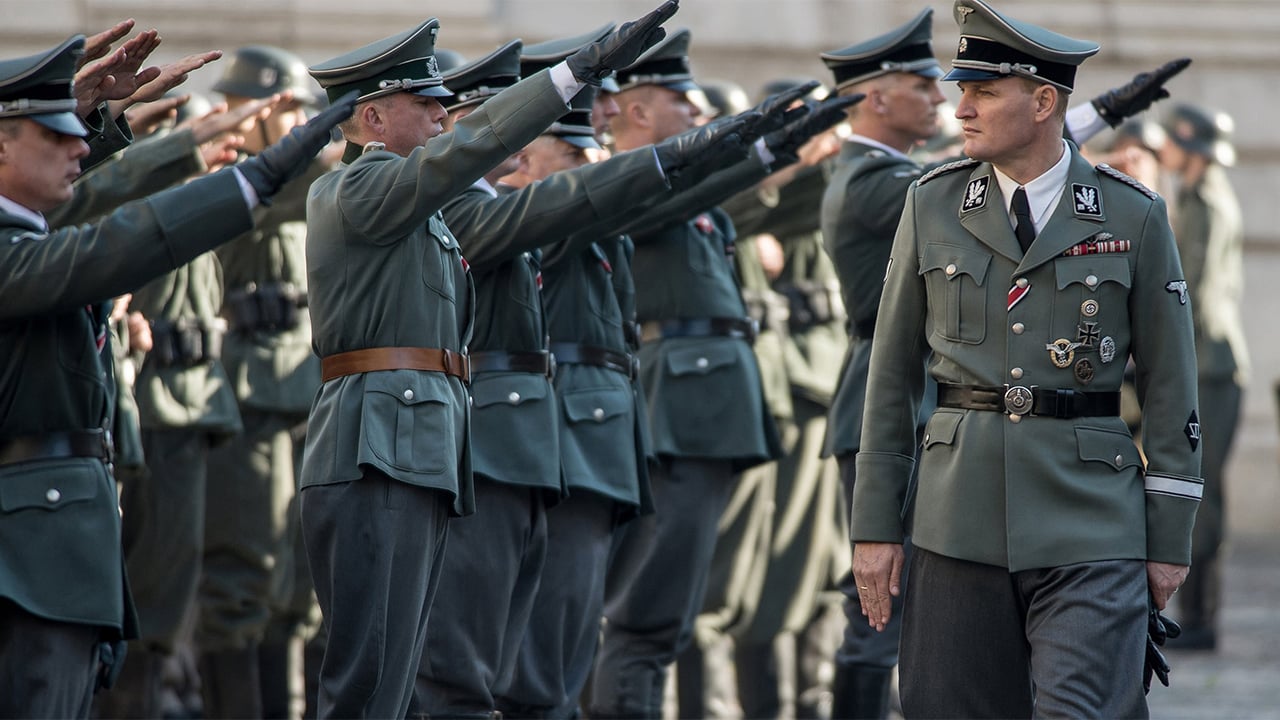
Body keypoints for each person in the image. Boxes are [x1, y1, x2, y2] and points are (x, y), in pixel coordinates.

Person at [298, 6, 677, 717]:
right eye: (427, 102)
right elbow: (477, 155)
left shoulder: (414, 209)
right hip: (379, 448)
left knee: (401, 677)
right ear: (374, 119)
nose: (445, 116)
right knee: (372, 683)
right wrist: (573, 74)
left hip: (417, 446)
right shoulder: (361, 187)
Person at [850, 0, 1203, 716]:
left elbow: (1171, 387)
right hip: (955, 521)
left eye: (983, 92)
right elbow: (889, 379)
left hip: (1092, 520)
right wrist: (875, 527)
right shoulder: (932, 205)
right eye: (961, 91)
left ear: (1044, 102)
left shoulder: (1133, 215)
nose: (962, 108)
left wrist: (1169, 538)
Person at [0, 34, 353, 719]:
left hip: (68, 533)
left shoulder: (27, 233)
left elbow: (85, 202)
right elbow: (120, 233)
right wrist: (251, 175)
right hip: (35, 544)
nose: (78, 147)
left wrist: (98, 123)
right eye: (56, 133)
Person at [202, 44, 333, 718]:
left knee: (299, 592)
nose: (301, 128)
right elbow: (283, 191)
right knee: (240, 582)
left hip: (302, 395)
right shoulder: (229, 178)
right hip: (247, 399)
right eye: (287, 114)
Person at [1155, 103, 1249, 652]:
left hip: (1210, 367)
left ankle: (1203, 618)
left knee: (1203, 492)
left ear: (1188, 148)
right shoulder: (1194, 197)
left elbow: (1193, 297)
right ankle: (1198, 614)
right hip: (1208, 363)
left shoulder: (1206, 203)